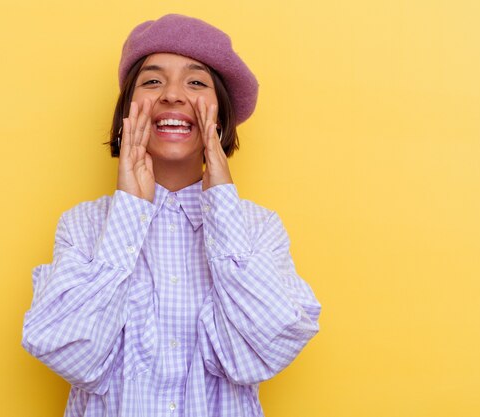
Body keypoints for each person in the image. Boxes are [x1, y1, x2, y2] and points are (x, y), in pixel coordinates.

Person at [22, 14, 321, 417]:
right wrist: (129, 210)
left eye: (196, 82)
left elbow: (258, 354)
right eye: (152, 81)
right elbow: (72, 354)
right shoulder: (83, 225)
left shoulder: (257, 228)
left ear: (222, 114)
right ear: (127, 109)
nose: (173, 96)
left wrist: (222, 202)